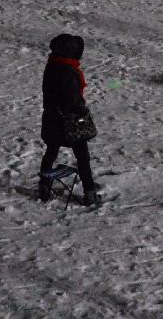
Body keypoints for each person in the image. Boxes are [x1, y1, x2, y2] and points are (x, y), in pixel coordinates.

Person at [38, 33, 101, 206]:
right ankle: (89, 193)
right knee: (82, 157)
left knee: (51, 152)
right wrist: (82, 110)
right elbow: (72, 102)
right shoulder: (67, 72)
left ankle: (44, 186)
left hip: (51, 119)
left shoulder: (53, 65)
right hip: (69, 123)